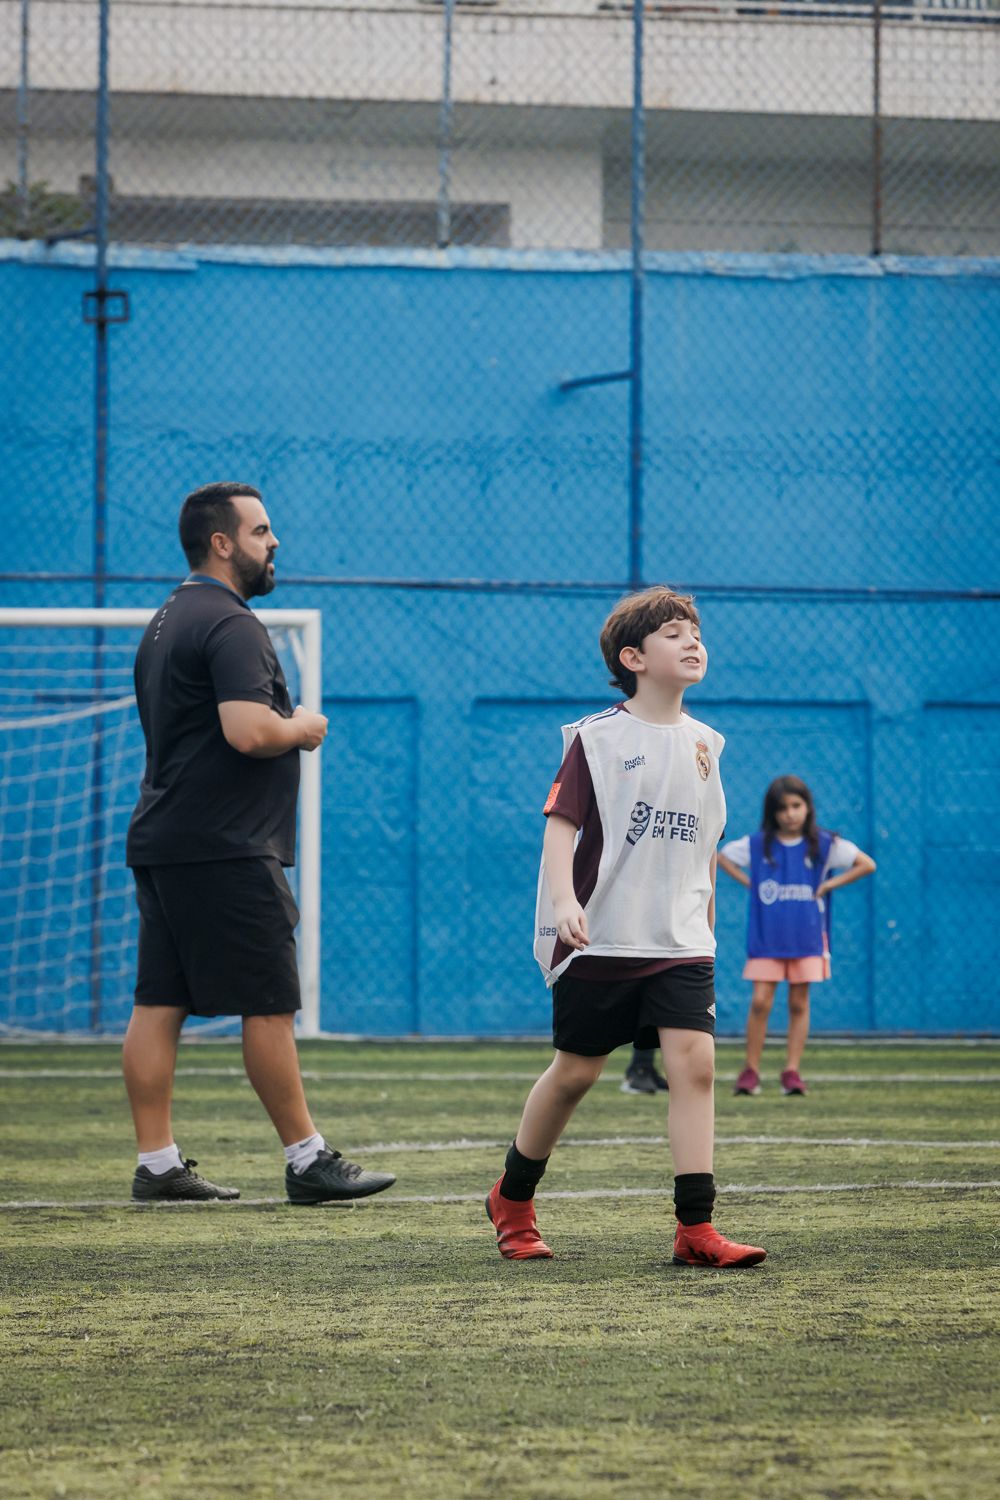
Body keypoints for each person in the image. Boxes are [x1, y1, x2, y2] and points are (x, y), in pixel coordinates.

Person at [123, 481, 396, 1205]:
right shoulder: (233, 623)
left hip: (166, 839)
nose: (274, 543)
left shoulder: (165, 620)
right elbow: (248, 730)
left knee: (159, 1003)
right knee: (270, 1001)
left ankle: (157, 1166)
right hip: (223, 845)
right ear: (222, 542)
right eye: (262, 530)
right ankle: (308, 1160)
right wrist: (302, 727)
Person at [485, 586, 766, 1268]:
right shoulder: (597, 739)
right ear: (633, 657)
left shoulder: (707, 745)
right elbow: (561, 825)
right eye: (675, 633)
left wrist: (706, 926)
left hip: (680, 943)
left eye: (696, 631)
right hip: (601, 937)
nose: (693, 641)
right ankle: (513, 1200)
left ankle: (695, 1229)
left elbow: (703, 845)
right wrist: (562, 903)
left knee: (695, 1066)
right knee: (576, 1074)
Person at [717, 775, 876, 1097]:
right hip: (767, 938)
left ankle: (791, 1071)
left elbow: (866, 864)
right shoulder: (757, 845)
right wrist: (751, 884)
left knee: (798, 1003)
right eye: (782, 808)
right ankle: (751, 1070)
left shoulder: (825, 844)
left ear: (807, 807)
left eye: (796, 805)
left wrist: (829, 884)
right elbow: (721, 858)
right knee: (761, 1001)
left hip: (807, 938)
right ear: (772, 812)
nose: (789, 813)